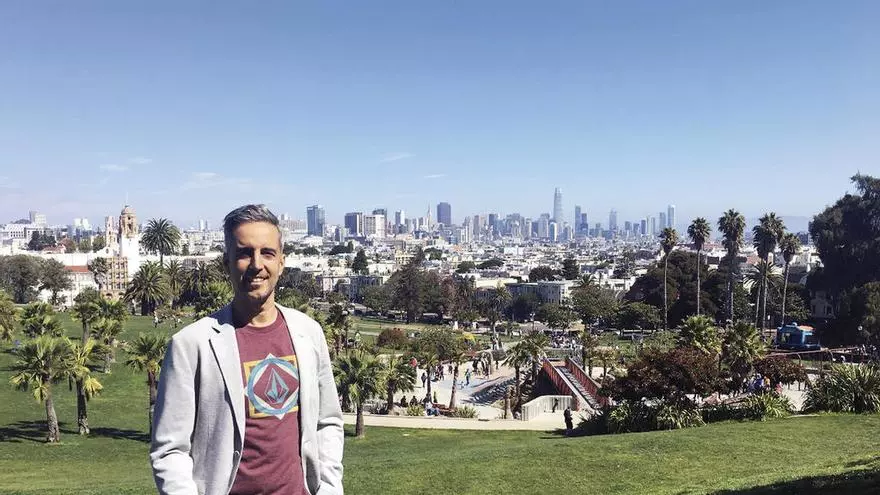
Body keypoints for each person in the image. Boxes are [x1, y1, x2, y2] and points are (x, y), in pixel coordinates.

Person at [150, 205, 344, 495]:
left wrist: (329, 488)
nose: (257, 264)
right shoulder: (191, 344)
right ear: (226, 262)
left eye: (267, 253)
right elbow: (170, 450)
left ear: (282, 262)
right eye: (244, 253)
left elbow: (327, 423)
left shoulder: (308, 332)